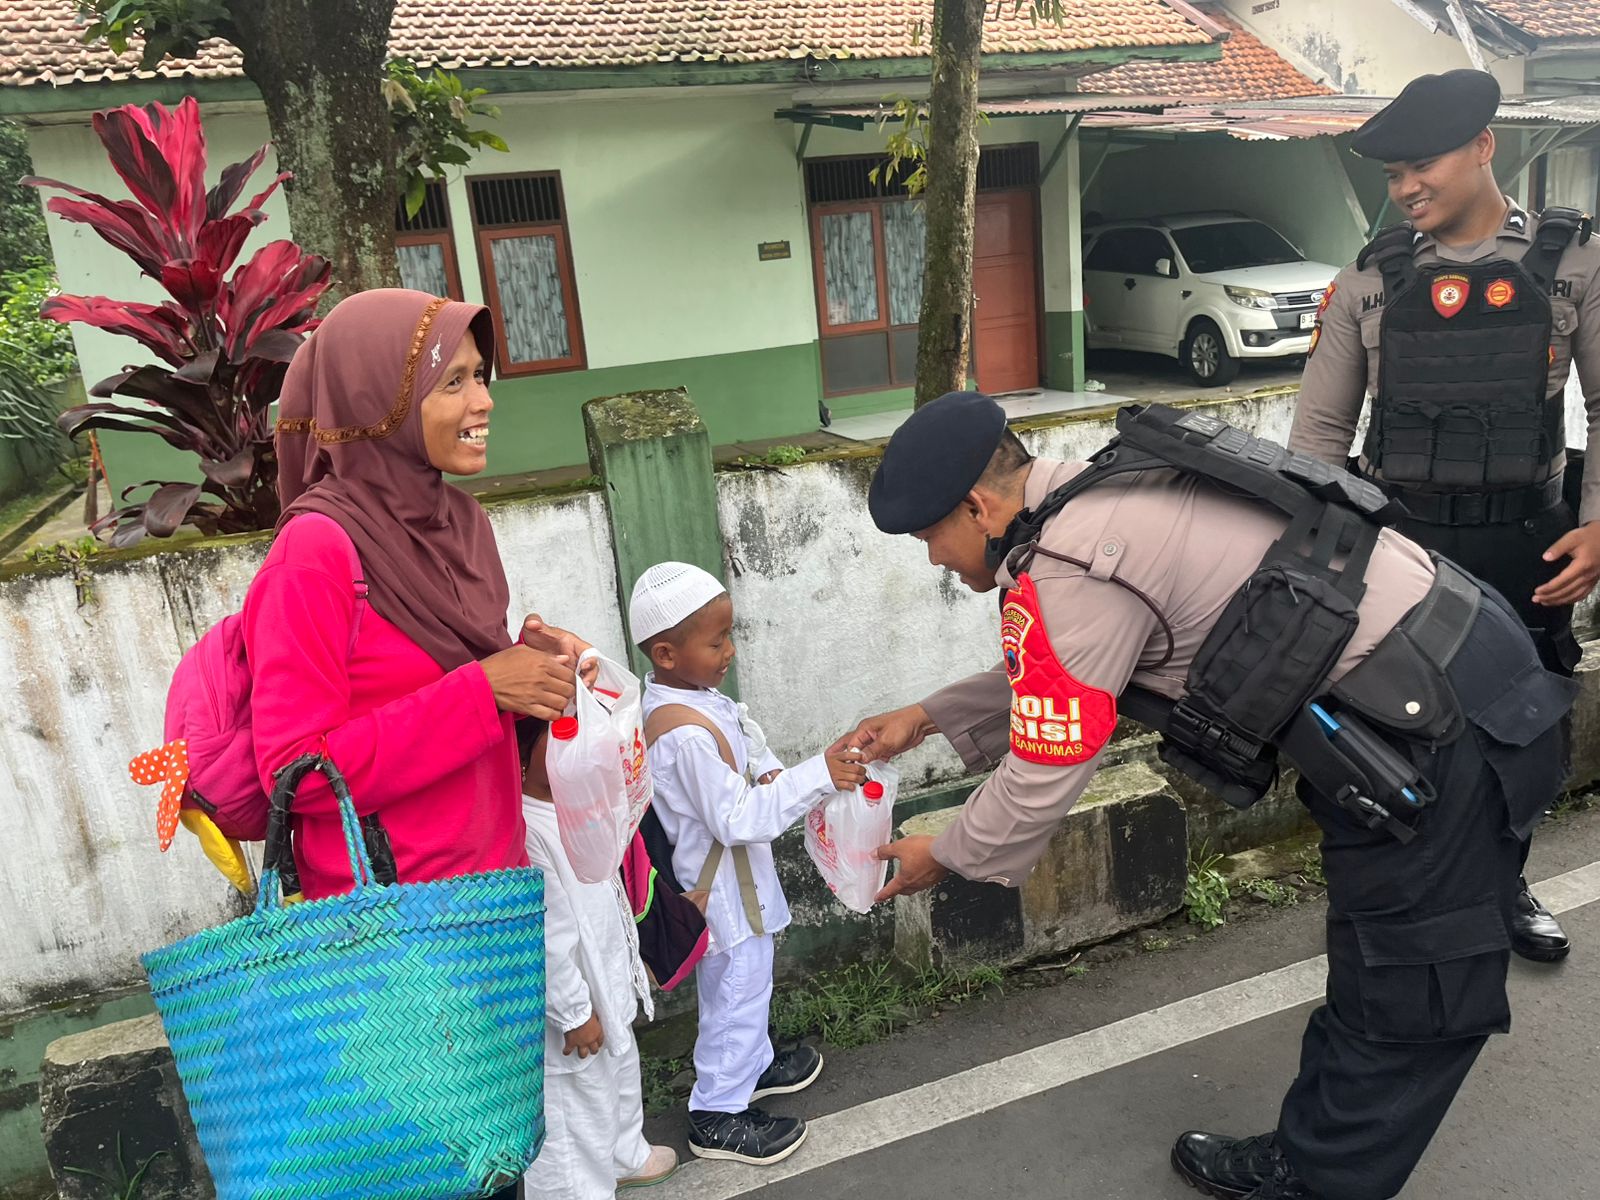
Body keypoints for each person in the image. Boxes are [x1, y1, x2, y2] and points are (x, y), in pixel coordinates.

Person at [839, 391, 1575, 1200]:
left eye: (930, 539)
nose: (935, 561)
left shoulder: (1074, 564)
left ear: (978, 507)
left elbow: (1046, 761)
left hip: (1433, 728)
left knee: (1411, 982)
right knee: (1382, 948)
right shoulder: (1110, 486)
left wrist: (943, 853)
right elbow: (1076, 667)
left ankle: (1319, 1181)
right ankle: (1317, 1150)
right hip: (1461, 666)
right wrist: (930, 716)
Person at [248, 288, 590, 1199]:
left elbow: (473, 709)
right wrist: (483, 690)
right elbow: (292, 770)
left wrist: (534, 674)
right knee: (434, 1180)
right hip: (392, 940)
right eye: (454, 382)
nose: (483, 401)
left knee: (494, 1172)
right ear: (377, 405)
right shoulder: (317, 552)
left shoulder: (463, 529)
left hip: (488, 915)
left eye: (483, 379)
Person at [1289, 68, 1600, 962]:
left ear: (1482, 148)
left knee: (1522, 725)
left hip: (1528, 541)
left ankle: (1504, 887)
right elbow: (1319, 435)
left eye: (1421, 166)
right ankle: (1408, 901)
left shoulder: (1574, 262)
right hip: (1400, 548)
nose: (1406, 189)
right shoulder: (1369, 282)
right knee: (1391, 726)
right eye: (1392, 176)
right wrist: (1314, 562)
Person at [630, 562, 867, 1165]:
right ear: (666, 653)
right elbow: (737, 818)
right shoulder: (680, 734)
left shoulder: (696, 701)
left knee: (749, 985)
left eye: (728, 635)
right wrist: (816, 774)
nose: (729, 651)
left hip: (734, 880)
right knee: (737, 990)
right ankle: (717, 1112)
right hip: (720, 890)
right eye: (716, 642)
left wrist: (770, 769)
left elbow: (743, 739)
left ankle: (754, 1065)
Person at [516, 723, 679, 1197]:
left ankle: (626, 1155)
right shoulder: (527, 831)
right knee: (573, 1118)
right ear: (523, 753)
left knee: (618, 1072)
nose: (579, 743)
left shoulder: (571, 806)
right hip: (572, 1011)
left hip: (606, 983)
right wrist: (572, 1012)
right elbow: (547, 936)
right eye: (560, 734)